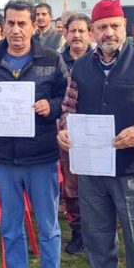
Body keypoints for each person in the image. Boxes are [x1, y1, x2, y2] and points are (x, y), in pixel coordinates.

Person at [57, 0, 134, 268]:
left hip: (133, 166)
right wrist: (64, 129)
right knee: (97, 236)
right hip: (92, 169)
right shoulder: (81, 67)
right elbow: (68, 108)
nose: (109, 32)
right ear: (93, 31)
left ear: (125, 27)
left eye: (114, 26)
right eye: (102, 27)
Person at [0, 0, 68, 268]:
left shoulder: (51, 60)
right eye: (10, 23)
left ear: (33, 25)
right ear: (3, 25)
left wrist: (53, 106)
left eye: (22, 23)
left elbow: (68, 96)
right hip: (3, 159)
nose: (16, 30)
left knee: (48, 227)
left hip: (41, 157)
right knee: (12, 228)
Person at [57, 13, 94, 255]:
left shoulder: (101, 59)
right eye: (73, 31)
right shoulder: (56, 62)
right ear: (65, 34)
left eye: (82, 30)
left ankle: (100, 232)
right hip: (67, 131)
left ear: (90, 33)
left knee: (97, 185)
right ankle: (78, 231)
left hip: (96, 132)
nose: (77, 35)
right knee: (71, 187)